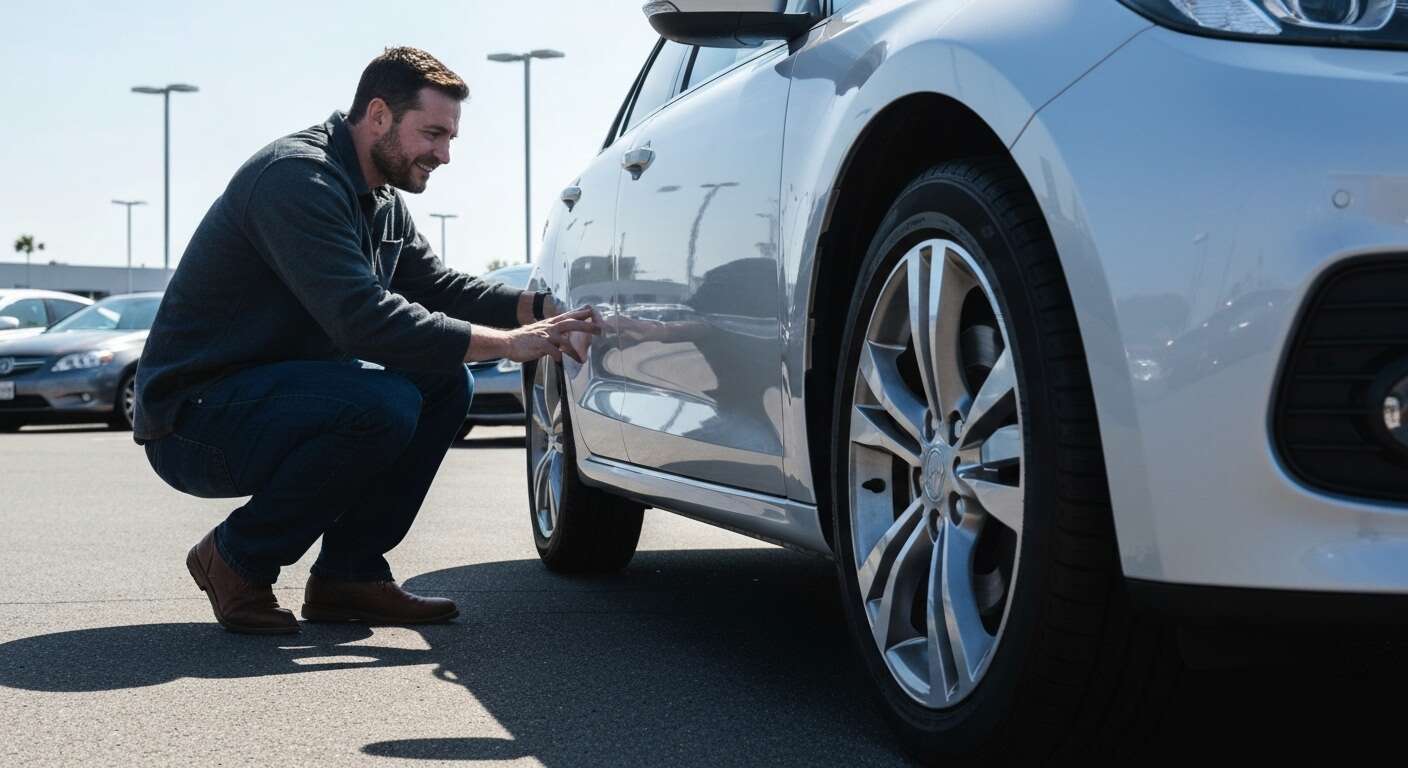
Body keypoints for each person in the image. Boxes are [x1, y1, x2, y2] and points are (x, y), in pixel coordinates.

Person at [133, 47, 597, 635]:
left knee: (442, 382)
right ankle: (235, 558)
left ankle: (349, 575)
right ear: (378, 115)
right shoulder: (295, 180)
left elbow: (432, 285)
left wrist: (534, 309)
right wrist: (509, 344)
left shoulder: (378, 197)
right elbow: (362, 320)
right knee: (383, 405)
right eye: (432, 133)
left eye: (450, 137)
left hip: (278, 399)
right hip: (194, 421)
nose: (445, 154)